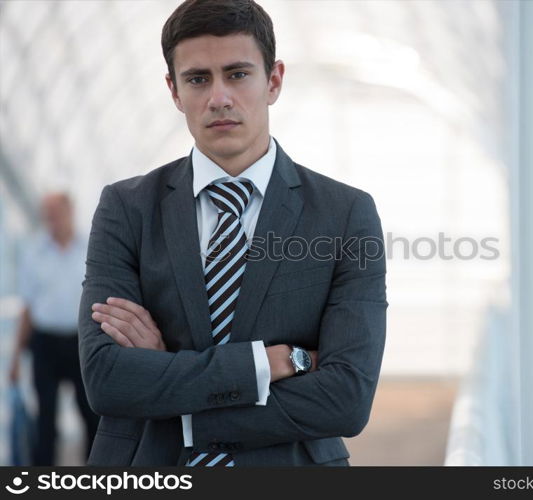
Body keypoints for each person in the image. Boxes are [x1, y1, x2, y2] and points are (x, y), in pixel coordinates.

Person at [78, 0, 387, 466]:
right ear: (174, 90)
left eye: (238, 74)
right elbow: (107, 379)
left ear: (274, 80)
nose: (218, 98)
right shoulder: (126, 208)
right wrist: (270, 364)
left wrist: (175, 400)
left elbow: (346, 397)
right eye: (197, 79)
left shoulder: (345, 215)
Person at [9, 192, 99, 465]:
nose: (51, 220)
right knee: (45, 416)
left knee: (91, 413)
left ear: (70, 210)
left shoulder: (91, 247)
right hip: (45, 343)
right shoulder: (34, 251)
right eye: (46, 215)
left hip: (81, 342)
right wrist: (16, 357)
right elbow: (27, 307)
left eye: (55, 213)